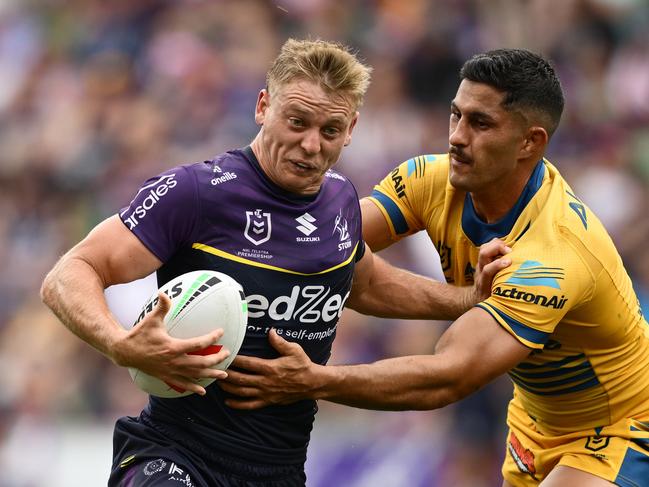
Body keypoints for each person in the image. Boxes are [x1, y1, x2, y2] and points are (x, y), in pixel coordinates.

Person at [40, 38, 508, 487]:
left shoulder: (342, 200)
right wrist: (120, 343)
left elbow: (362, 283)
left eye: (329, 131)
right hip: (174, 455)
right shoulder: (197, 193)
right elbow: (71, 272)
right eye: (296, 122)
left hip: (279, 470)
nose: (311, 145)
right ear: (263, 106)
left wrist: (466, 298)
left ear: (351, 130)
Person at [221, 48, 649, 486]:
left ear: (530, 142)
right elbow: (325, 247)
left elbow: (448, 377)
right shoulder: (431, 180)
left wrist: (314, 380)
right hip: (535, 420)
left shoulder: (552, 253)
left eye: (481, 124)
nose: (457, 137)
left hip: (623, 423)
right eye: (456, 115)